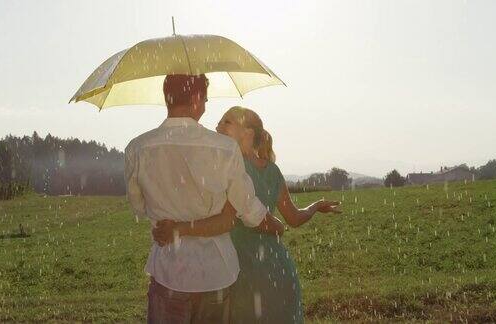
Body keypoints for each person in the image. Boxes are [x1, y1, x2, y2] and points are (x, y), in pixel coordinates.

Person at [153, 106, 341, 323]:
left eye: (227, 122)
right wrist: (310, 209)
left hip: (240, 269)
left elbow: (259, 218)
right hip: (276, 267)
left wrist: (314, 207)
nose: (218, 126)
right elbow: (293, 219)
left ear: (248, 133)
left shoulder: (228, 167)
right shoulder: (271, 170)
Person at [124, 75, 284, 324]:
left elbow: (139, 206)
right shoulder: (224, 148)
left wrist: (173, 213)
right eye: (206, 100)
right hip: (215, 274)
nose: (206, 106)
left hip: (169, 271)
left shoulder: (137, 148)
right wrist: (274, 224)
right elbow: (246, 207)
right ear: (197, 99)